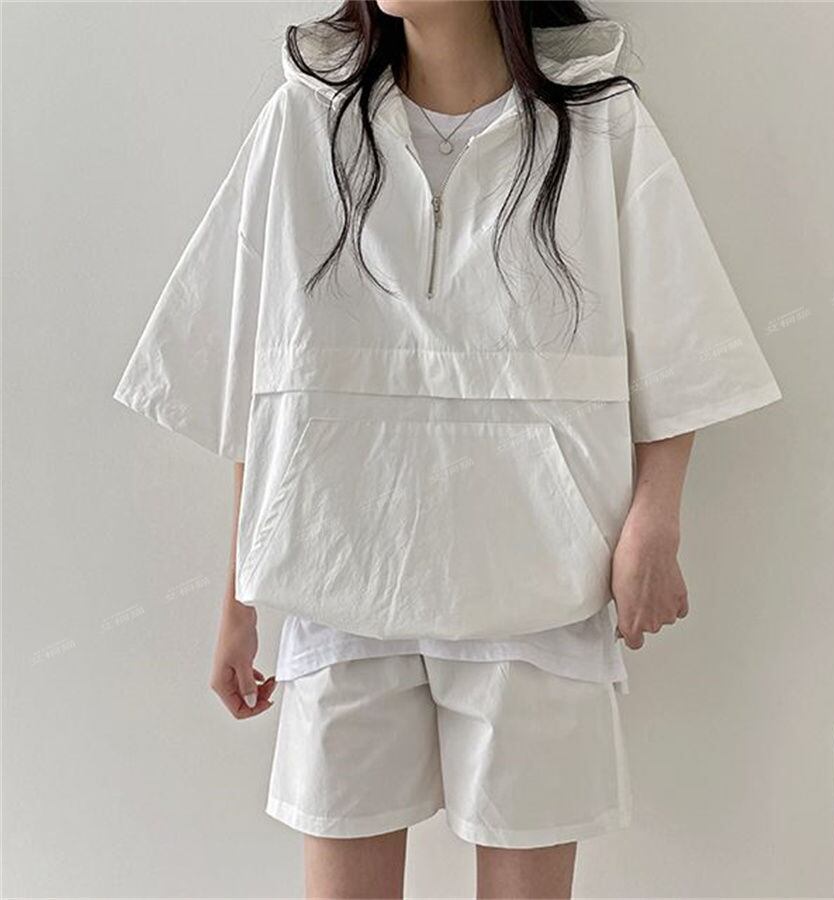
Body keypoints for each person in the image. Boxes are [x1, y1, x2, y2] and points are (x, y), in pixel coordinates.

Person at [113, 1, 782, 896]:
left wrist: (655, 524)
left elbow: (680, 340)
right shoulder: (306, 116)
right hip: (340, 578)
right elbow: (258, 377)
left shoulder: (597, 122)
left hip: (540, 584)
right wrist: (237, 604)